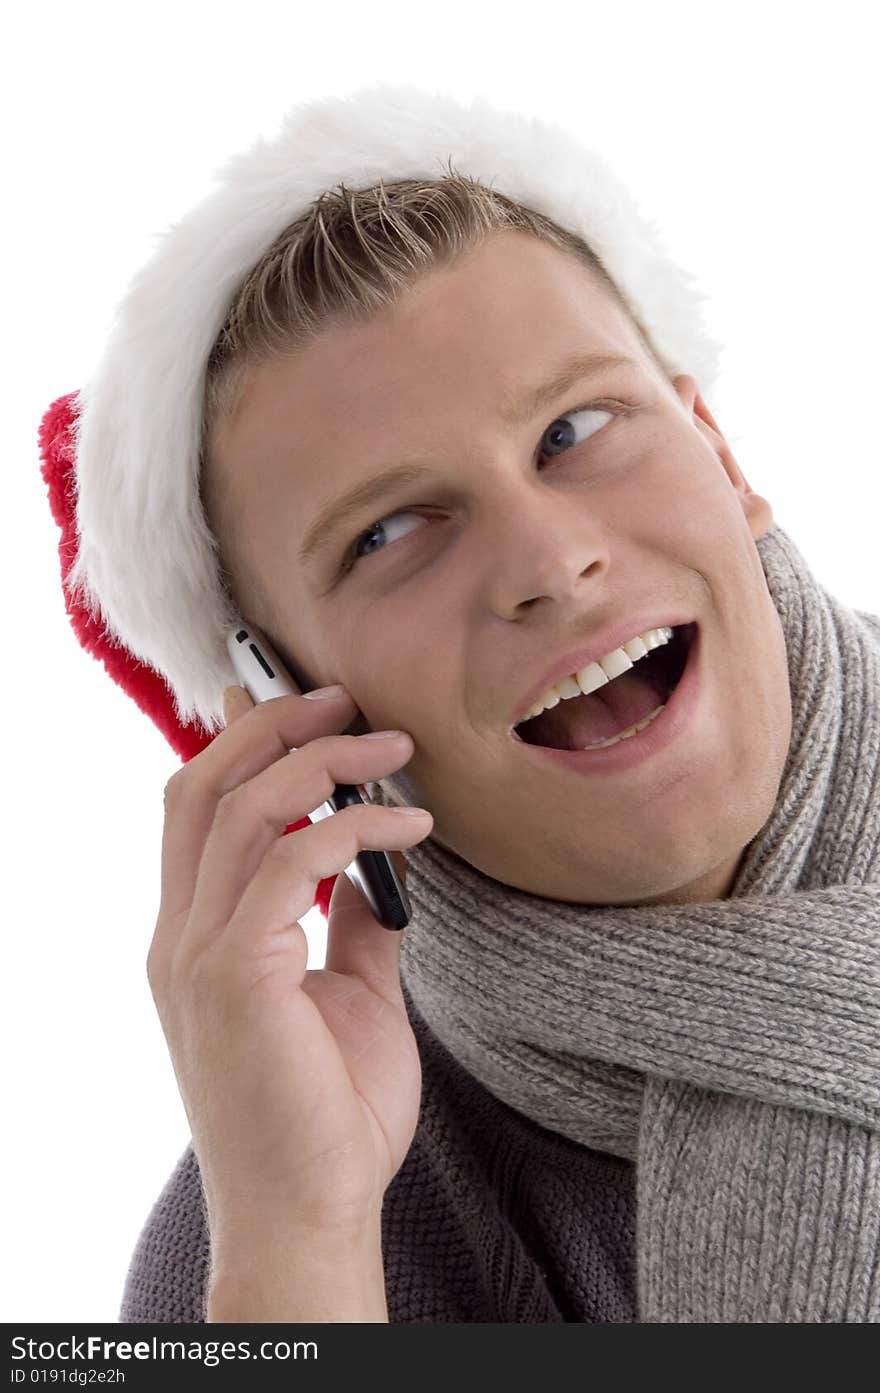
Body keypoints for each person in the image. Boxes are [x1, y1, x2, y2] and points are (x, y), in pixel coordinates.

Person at [39, 84, 880, 1323]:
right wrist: (302, 1240)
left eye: (574, 428)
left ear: (720, 451)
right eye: (388, 532)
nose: (547, 564)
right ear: (288, 711)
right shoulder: (294, 1234)